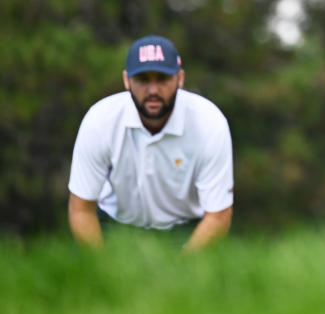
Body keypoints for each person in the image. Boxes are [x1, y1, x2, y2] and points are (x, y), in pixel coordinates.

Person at [68, 35, 234, 251]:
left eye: (163, 78)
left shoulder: (209, 122)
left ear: (180, 78)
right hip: (114, 226)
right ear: (127, 80)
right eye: (143, 79)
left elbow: (218, 216)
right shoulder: (100, 119)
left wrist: (180, 272)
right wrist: (103, 271)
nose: (153, 90)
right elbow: (81, 209)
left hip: (186, 230)